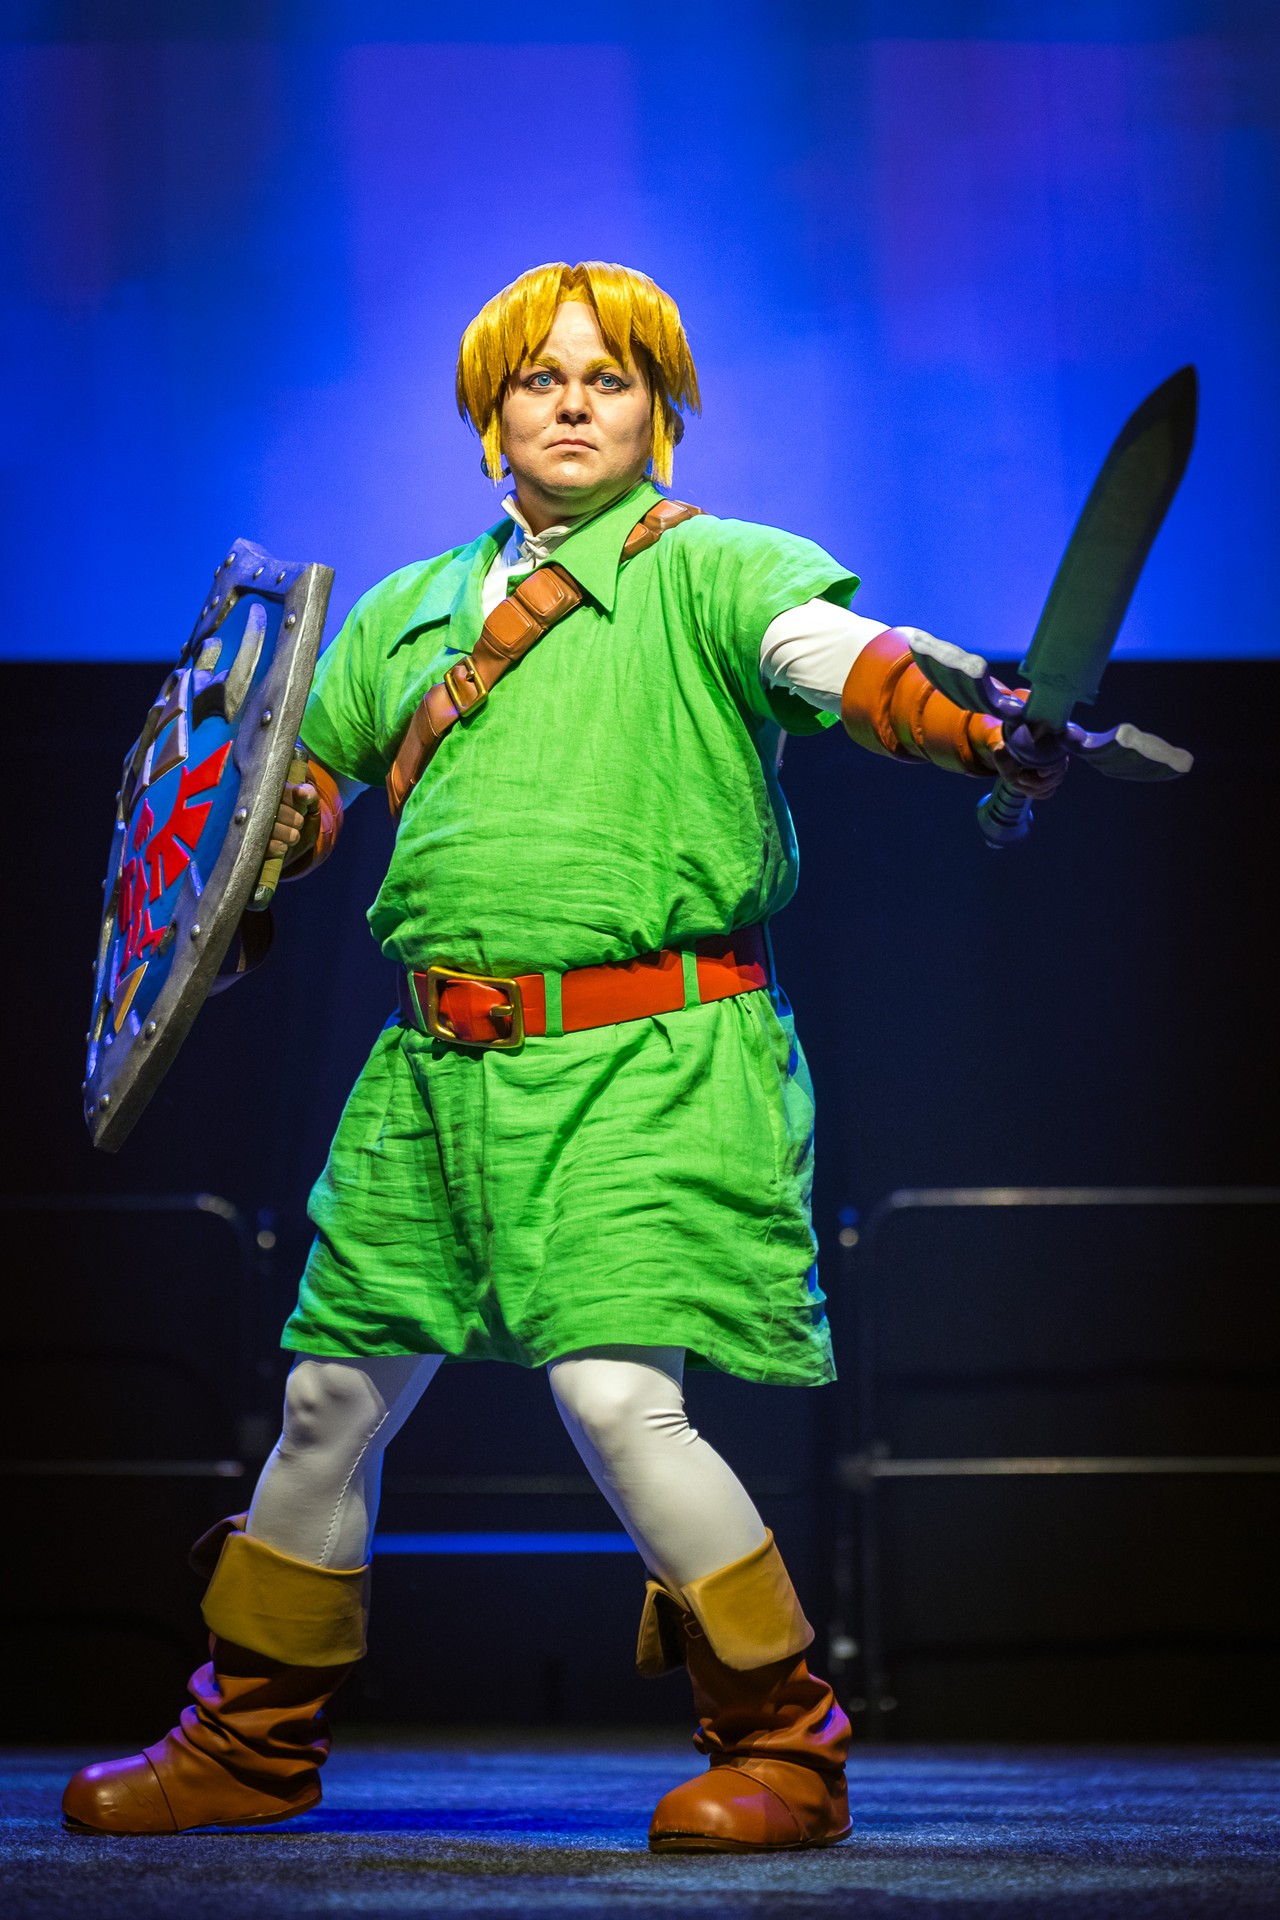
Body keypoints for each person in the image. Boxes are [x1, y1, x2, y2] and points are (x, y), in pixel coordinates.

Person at [63, 260, 1060, 1851]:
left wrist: (977, 719)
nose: (576, 403)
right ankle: (249, 1743)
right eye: (542, 379)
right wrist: (268, 842)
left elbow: (840, 656)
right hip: (430, 1076)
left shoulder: (715, 570)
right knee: (328, 1401)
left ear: (659, 409)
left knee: (616, 1399)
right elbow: (286, 789)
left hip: (647, 1057)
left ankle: (784, 1748)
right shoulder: (406, 610)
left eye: (611, 378)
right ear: (492, 415)